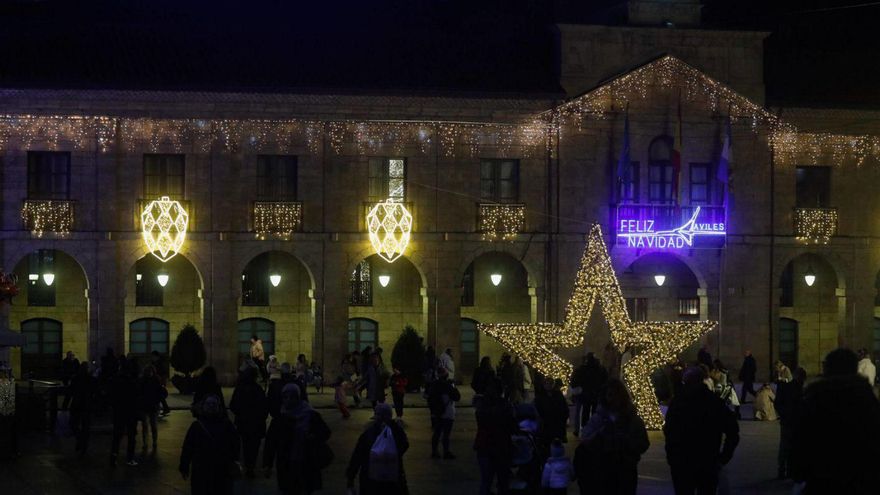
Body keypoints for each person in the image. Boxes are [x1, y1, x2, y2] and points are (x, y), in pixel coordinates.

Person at [790, 348, 880, 493]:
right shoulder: (867, 401)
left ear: (828, 369)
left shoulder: (815, 399)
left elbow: (800, 441)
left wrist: (799, 473)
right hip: (861, 481)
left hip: (822, 481)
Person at [664, 366, 739, 495]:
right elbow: (733, 431)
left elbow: (669, 431)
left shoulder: (678, 403)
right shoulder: (714, 402)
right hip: (707, 460)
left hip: (683, 461)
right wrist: (723, 457)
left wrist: (672, 455)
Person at [575, 378, 649, 495]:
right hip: (602, 468)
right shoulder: (599, 418)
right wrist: (600, 435)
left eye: (617, 395)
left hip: (625, 469)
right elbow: (586, 440)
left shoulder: (632, 419)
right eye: (610, 395)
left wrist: (627, 446)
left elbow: (643, 443)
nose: (614, 399)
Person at [263, 383, 331, 494]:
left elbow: (325, 432)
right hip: (287, 463)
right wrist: (268, 464)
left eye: (292, 397)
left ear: (298, 398)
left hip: (306, 462)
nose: (288, 400)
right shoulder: (280, 418)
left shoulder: (311, 415)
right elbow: (271, 442)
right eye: (285, 397)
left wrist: (313, 437)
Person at [179, 395, 240, 495]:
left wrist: (184, 466)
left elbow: (188, 448)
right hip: (220, 469)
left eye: (213, 404)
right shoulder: (226, 425)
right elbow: (235, 444)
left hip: (202, 469)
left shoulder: (197, 426)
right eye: (209, 404)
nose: (211, 406)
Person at [346, 402, 410, 495]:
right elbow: (404, 446)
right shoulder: (396, 431)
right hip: (392, 478)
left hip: (371, 480)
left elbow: (358, 455)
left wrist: (350, 476)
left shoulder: (369, 432)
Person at [474, 378, 516, 495]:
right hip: (501, 446)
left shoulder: (481, 405)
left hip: (484, 445)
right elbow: (512, 426)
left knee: (485, 481)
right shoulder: (505, 405)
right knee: (503, 481)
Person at [229, 367, 268, 478]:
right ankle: (251, 467)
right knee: (254, 446)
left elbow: (233, 406)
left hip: (244, 422)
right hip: (256, 423)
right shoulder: (258, 389)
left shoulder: (240, 389)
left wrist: (241, 414)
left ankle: (248, 466)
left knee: (246, 445)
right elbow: (264, 407)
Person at [774, 367, 805, 479]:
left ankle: (783, 470)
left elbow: (777, 403)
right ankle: (789, 470)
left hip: (788, 420)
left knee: (785, 446)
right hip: (794, 421)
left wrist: (783, 414)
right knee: (792, 446)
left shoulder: (786, 387)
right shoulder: (800, 389)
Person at [110, 360, 140, 466]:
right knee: (131, 436)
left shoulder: (115, 380)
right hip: (130, 412)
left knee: (117, 435)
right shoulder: (132, 381)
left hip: (119, 411)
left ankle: (113, 456)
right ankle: (130, 458)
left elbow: (112, 396)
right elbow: (136, 397)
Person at [426, 366, 460, 459]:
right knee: (446, 434)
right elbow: (457, 397)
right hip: (448, 413)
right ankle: (446, 451)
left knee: (437, 433)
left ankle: (434, 451)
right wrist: (454, 387)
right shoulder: (448, 385)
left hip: (438, 413)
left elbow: (429, 398)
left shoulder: (434, 385)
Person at [570, 353, 608, 435]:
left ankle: (584, 430)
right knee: (595, 413)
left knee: (584, 414)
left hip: (585, 395)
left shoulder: (581, 369)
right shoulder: (601, 369)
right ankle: (595, 430)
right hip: (596, 394)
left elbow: (575, 381)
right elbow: (605, 381)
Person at [69, 361, 95, 456]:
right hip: (86, 405)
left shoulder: (75, 378)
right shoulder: (91, 379)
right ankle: (84, 444)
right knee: (86, 426)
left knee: (73, 424)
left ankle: (80, 439)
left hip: (77, 404)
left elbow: (71, 391)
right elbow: (94, 391)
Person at [138, 364, 165, 453]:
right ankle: (147, 442)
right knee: (146, 425)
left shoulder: (155, 380)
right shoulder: (144, 380)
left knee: (152, 425)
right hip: (147, 405)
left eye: (151, 371)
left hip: (152, 406)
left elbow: (160, 392)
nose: (149, 373)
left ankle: (153, 441)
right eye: (148, 372)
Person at [534, 377, 569, 446]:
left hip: (557, 421)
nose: (548, 385)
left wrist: (564, 416)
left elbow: (564, 407)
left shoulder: (558, 394)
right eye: (547, 384)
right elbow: (537, 408)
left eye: (550, 384)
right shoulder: (540, 396)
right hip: (545, 422)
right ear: (544, 385)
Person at [150, 351, 171, 416]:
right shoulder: (155, 363)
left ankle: (162, 409)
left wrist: (162, 382)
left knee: (159, 396)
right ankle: (163, 408)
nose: (152, 358)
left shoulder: (160, 363)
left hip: (159, 381)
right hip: (156, 381)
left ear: (156, 356)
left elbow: (163, 373)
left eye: (153, 356)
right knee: (159, 396)